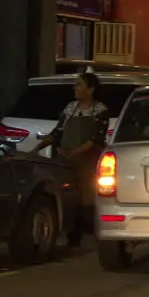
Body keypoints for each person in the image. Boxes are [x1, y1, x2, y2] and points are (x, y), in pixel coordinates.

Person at [33, 72, 111, 248]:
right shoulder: (70, 108)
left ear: (90, 90)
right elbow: (57, 132)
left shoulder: (100, 110)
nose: (75, 88)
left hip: (87, 162)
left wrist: (76, 152)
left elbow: (95, 139)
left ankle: (83, 233)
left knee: (86, 197)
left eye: (79, 85)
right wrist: (36, 149)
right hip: (65, 160)